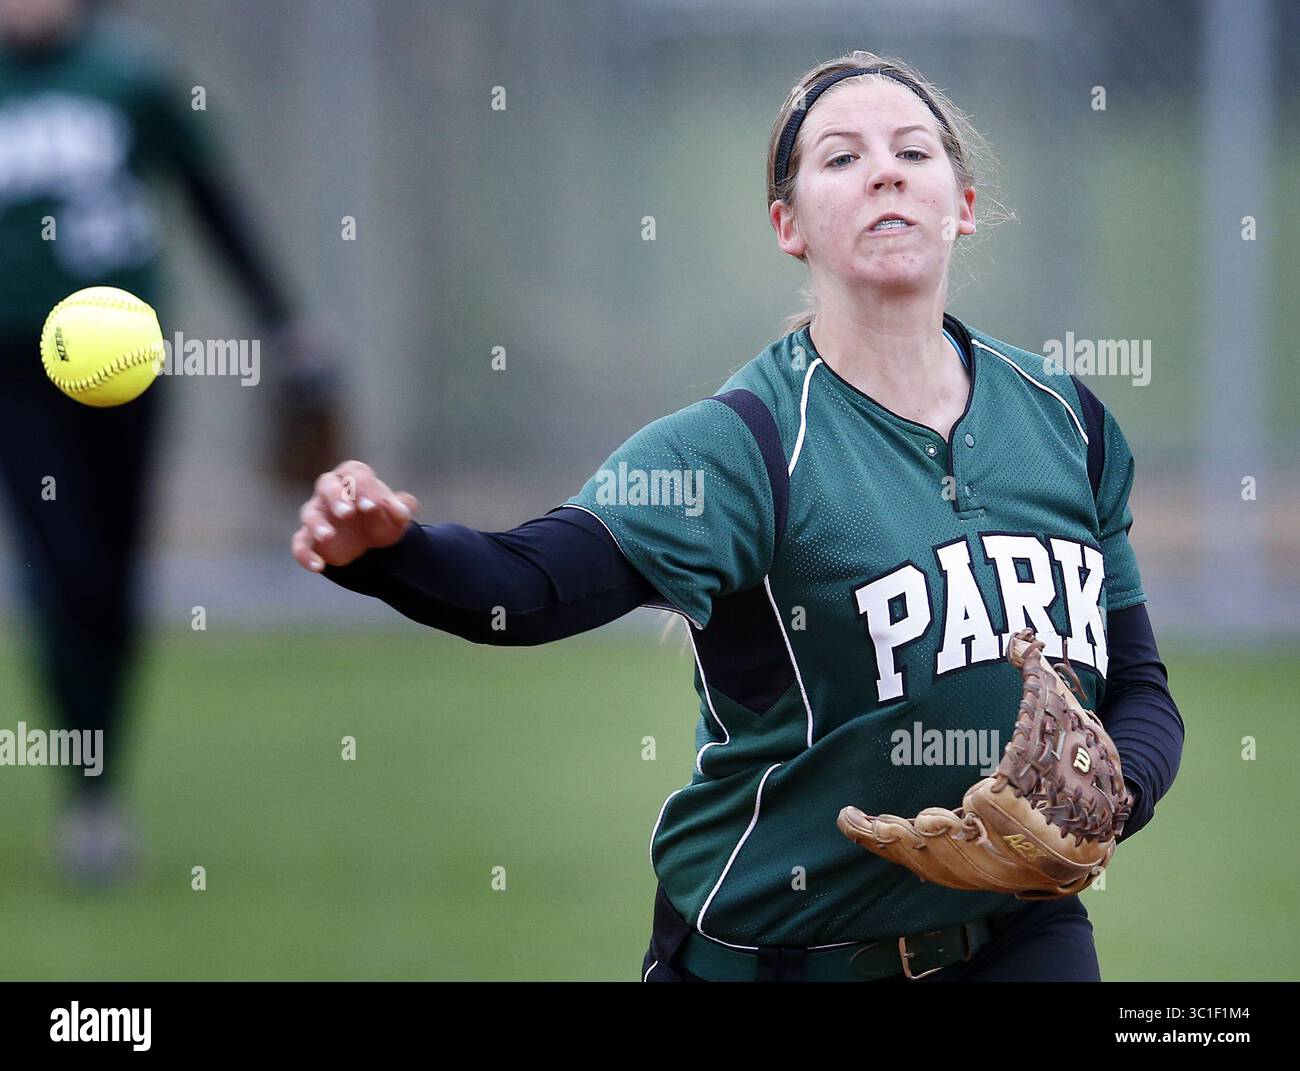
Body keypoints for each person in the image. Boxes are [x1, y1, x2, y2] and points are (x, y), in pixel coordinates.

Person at [291, 50, 1184, 982]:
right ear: (788, 225)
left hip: (1018, 942)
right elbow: (536, 584)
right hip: (773, 955)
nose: (883, 170)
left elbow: (1142, 691)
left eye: (912, 152)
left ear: (960, 204)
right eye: (841, 158)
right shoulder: (744, 445)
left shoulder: (1065, 421)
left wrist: (1110, 799)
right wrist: (390, 549)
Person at [0, 0, 341, 885]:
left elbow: (211, 199)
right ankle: (87, 798)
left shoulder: (130, 74)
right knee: (61, 569)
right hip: (14, 366)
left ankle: (101, 788)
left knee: (111, 579)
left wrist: (285, 323)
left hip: (123, 366)